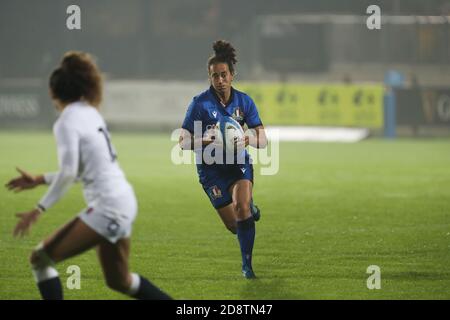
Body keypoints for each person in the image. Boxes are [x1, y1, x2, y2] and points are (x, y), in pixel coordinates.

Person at [5, 51, 171, 300]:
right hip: (123, 199)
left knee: (40, 259)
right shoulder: (90, 112)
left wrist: (38, 209)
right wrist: (40, 179)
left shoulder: (66, 122)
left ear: (53, 93)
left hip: (109, 207)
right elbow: (82, 171)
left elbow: (70, 172)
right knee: (119, 281)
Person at [179, 40, 267, 279]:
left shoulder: (244, 102)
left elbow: (263, 139)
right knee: (233, 225)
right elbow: (183, 142)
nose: (220, 80)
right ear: (209, 77)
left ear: (232, 75)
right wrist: (208, 140)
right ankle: (250, 209)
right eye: (215, 76)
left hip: (238, 164)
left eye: (224, 74)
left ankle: (247, 266)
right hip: (211, 171)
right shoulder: (199, 104)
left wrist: (248, 139)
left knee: (241, 207)